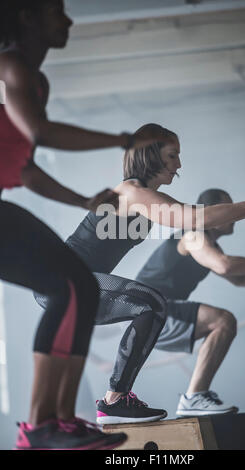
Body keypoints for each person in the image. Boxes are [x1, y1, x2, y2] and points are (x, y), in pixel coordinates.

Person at [35, 122, 245, 425]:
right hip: (64, 278)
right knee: (152, 302)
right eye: (172, 156)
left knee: (151, 304)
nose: (179, 165)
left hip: (74, 283)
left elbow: (234, 272)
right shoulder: (133, 193)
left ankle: (114, 401)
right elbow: (195, 216)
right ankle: (115, 401)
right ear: (150, 156)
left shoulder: (144, 200)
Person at [0, 0, 169, 450]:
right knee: (74, 283)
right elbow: (41, 133)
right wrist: (123, 139)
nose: (69, 20)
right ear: (27, 17)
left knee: (76, 285)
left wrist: (81, 200)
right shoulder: (12, 66)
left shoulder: (35, 80)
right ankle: (43, 425)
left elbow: (27, 169)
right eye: (58, 12)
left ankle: (53, 422)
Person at [136, 188, 245, 417]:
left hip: (154, 312)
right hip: (146, 311)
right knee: (223, 320)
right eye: (226, 208)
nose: (232, 214)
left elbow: (242, 280)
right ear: (213, 214)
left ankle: (196, 396)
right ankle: (194, 397)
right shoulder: (192, 236)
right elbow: (225, 266)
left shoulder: (209, 246)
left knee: (223, 323)